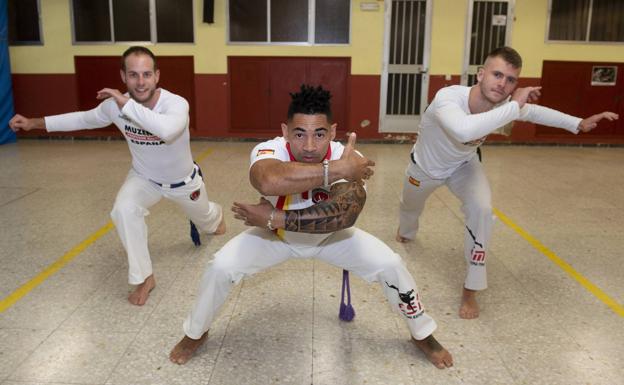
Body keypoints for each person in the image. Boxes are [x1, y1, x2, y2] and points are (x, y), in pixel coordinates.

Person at [169, 85, 453, 369]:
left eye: (319, 134)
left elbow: (344, 216)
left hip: (330, 237)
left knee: (391, 264)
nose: (308, 146)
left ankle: (422, 333)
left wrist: (274, 218)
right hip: (275, 238)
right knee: (220, 267)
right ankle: (196, 332)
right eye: (299, 134)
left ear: (332, 132)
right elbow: (268, 181)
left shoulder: (348, 153)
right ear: (284, 131)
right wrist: (336, 170)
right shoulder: (270, 149)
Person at [396, 46, 619, 319]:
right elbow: (464, 129)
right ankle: (406, 230)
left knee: (483, 211)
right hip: (423, 169)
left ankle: (471, 288)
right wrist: (514, 106)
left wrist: (578, 124)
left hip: (464, 166)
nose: (502, 84)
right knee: (409, 209)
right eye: (497, 74)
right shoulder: (448, 98)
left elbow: (535, 113)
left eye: (511, 79)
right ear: (480, 74)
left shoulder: (504, 106)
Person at [9, 46, 225, 306]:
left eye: (147, 74)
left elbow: (167, 131)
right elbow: (83, 119)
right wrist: (34, 122)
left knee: (210, 223)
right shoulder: (115, 106)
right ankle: (144, 277)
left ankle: (214, 216)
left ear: (157, 76)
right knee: (123, 209)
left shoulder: (176, 104)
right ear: (123, 76)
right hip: (144, 178)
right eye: (133, 75)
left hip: (184, 182)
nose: (141, 82)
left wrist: (126, 104)